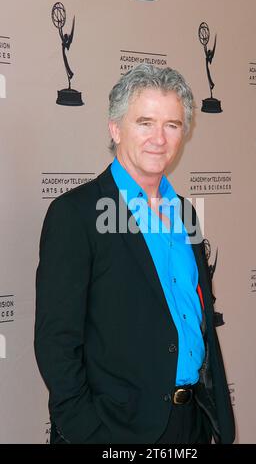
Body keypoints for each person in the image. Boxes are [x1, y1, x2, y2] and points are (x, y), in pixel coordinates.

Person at [34, 64, 235, 444]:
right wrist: (90, 434)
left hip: (191, 422)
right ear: (115, 128)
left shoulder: (185, 213)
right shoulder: (76, 214)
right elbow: (56, 342)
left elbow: (195, 318)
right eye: (145, 122)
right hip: (115, 430)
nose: (159, 138)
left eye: (172, 124)